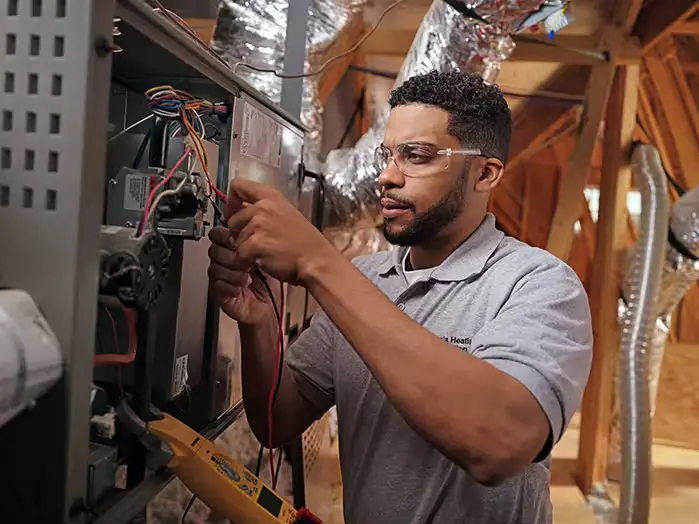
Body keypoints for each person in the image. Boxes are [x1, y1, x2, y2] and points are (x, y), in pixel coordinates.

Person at [208, 70, 593, 523]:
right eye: (387, 155)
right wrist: (259, 321)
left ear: (485, 173)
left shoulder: (538, 283)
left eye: (416, 156)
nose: (387, 176)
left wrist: (319, 263)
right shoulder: (362, 281)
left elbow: (499, 443)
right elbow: (278, 419)